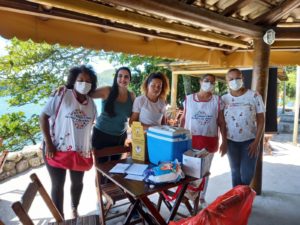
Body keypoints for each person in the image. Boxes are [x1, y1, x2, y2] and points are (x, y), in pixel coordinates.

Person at [40, 65, 98, 218]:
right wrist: (49, 144)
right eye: (80, 80)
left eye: (88, 81)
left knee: (78, 183)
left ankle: (74, 209)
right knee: (58, 185)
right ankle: (60, 218)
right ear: (73, 80)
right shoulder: (61, 95)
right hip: (56, 148)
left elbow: (89, 126)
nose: (84, 83)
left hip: (80, 152)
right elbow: (43, 117)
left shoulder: (92, 104)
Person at [180, 74, 227, 206]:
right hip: (189, 141)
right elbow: (183, 120)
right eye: (207, 81)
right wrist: (178, 137)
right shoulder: (188, 99)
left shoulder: (217, 101)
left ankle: (201, 197)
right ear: (200, 82)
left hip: (208, 143)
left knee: (204, 172)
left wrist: (225, 141)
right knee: (187, 170)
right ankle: (187, 195)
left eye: (212, 82)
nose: (209, 84)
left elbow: (222, 122)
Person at [222, 68, 265, 187]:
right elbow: (221, 122)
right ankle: (237, 201)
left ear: (243, 79)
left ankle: (242, 196)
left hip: (250, 141)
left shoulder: (254, 96)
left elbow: (261, 120)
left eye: (237, 78)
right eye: (231, 79)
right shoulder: (224, 99)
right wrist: (224, 141)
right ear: (227, 81)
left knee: (247, 174)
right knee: (235, 173)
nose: (234, 81)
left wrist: (257, 142)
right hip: (231, 142)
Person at [91, 67, 135, 165]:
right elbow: (86, 93)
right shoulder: (107, 91)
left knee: (116, 169)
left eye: (126, 77)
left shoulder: (131, 96)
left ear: (129, 79)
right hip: (101, 135)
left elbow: (134, 117)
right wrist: (66, 89)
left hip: (120, 138)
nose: (123, 79)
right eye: (120, 76)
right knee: (101, 171)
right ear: (116, 78)